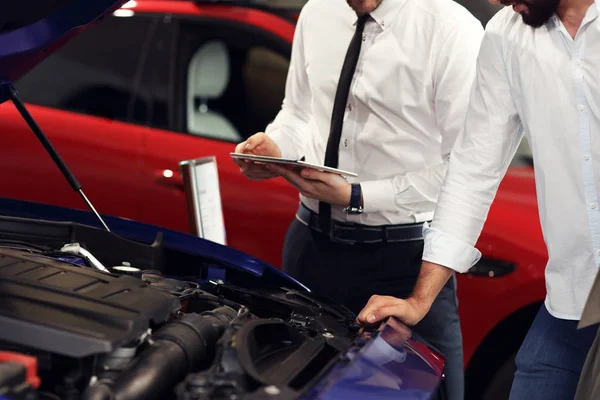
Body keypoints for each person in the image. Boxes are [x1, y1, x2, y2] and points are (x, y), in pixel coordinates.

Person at [233, 0, 484, 398]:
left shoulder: (450, 28)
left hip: (403, 264)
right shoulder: (317, 11)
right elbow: (298, 111)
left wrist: (357, 195)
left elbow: (466, 166)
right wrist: (275, 146)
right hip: (308, 249)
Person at [356, 0, 600, 399]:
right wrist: (420, 300)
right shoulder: (507, 35)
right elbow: (473, 168)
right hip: (571, 300)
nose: (494, 0)